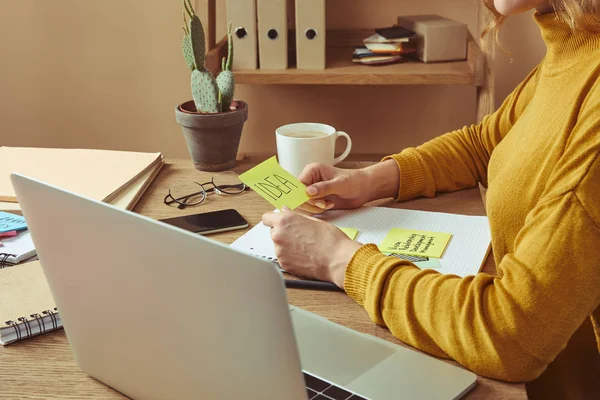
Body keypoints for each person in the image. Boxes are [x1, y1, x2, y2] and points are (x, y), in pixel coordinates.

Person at [262, 0, 600, 391]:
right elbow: (484, 143)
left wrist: (339, 260)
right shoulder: (576, 43)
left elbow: (511, 333)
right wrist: (370, 180)